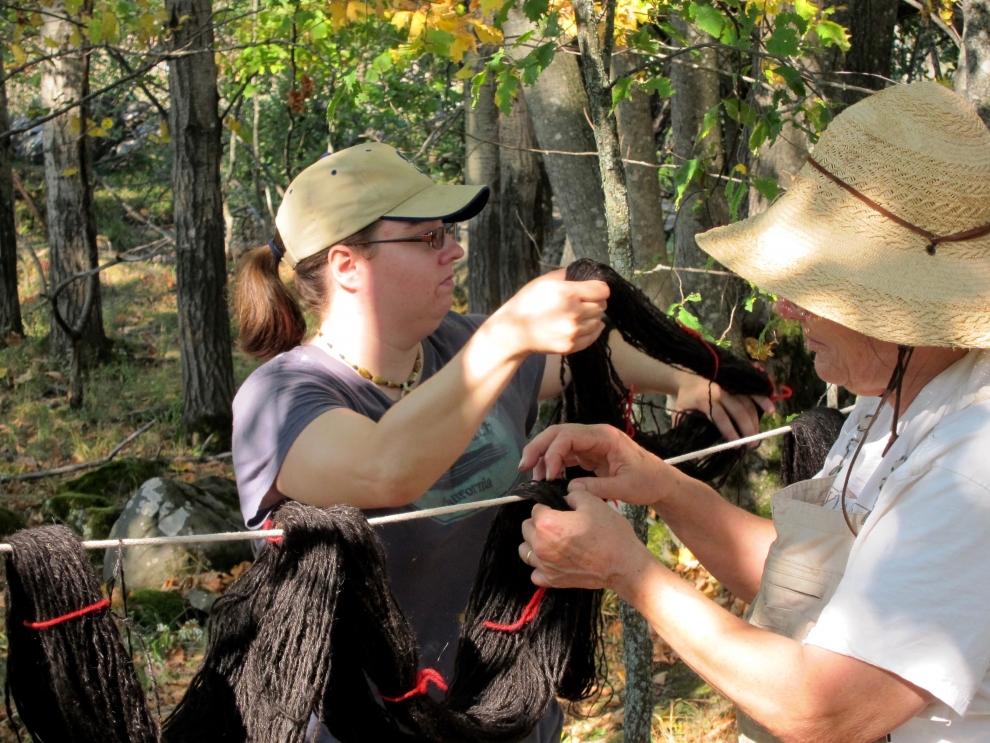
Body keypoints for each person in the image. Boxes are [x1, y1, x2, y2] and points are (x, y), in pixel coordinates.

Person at [231, 142, 768, 742]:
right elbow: (384, 467)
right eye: (429, 238)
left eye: (449, 235)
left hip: (508, 709)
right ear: (346, 265)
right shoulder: (279, 400)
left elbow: (590, 349)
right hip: (363, 726)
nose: (454, 250)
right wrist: (508, 333)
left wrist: (687, 381)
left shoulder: (460, 347)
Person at [516, 81, 990, 743]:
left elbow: (826, 708)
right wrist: (663, 486)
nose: (789, 311)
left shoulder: (972, 462)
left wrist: (630, 569)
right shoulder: (896, 399)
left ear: (902, 308)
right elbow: (817, 580)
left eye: (816, 289)